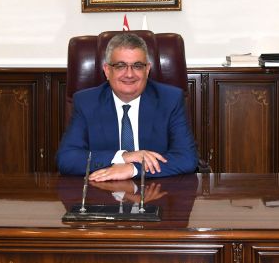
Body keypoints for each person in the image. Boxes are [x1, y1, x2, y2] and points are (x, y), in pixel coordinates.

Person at [56, 33, 199, 181]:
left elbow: (187, 158)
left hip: (155, 190)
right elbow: (67, 159)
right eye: (120, 66)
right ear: (107, 70)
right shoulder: (86, 102)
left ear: (147, 70)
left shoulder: (169, 100)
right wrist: (123, 157)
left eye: (137, 66)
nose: (129, 74)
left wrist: (134, 169)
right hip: (101, 191)